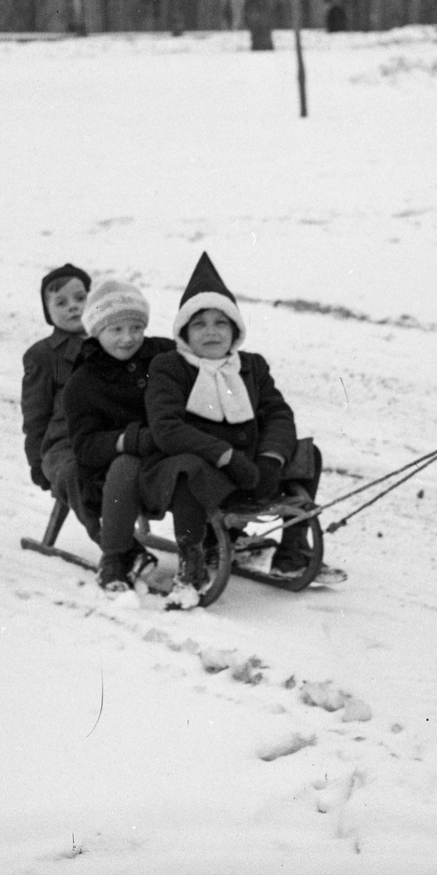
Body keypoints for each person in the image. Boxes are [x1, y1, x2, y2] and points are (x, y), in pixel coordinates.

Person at [142, 253, 319, 610]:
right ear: (185, 333)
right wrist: (225, 456)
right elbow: (167, 426)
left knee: (306, 454)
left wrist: (271, 458)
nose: (211, 331)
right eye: (200, 324)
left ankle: (292, 551)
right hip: (197, 470)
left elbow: (278, 414)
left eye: (221, 323)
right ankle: (191, 564)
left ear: (235, 330)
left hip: (252, 471)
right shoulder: (169, 367)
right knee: (188, 467)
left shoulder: (251, 366)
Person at [61, 279, 176, 592]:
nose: (128, 339)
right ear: (97, 332)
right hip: (116, 464)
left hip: (167, 453)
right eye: (116, 330)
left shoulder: (163, 355)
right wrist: (126, 440)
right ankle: (117, 554)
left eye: (136, 328)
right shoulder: (84, 382)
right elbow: (85, 445)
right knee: (105, 471)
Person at [21, 263, 96, 539]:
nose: (73, 307)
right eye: (61, 302)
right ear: (47, 312)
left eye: (80, 298)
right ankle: (120, 549)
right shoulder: (43, 355)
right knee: (77, 475)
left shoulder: (112, 341)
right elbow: (35, 416)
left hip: (105, 438)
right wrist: (37, 464)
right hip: (63, 445)